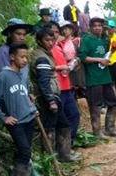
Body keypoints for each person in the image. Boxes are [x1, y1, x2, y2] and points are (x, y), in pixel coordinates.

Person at [0, 42, 38, 176]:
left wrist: (32, 106)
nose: (25, 60)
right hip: (16, 122)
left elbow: (24, 94)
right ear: (12, 57)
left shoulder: (22, 74)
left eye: (26, 57)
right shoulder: (4, 76)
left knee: (26, 150)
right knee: (24, 152)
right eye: (22, 57)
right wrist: (3, 117)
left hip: (29, 118)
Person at [30, 24, 80, 162]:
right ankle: (50, 159)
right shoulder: (40, 57)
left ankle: (64, 154)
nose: (51, 42)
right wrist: (51, 100)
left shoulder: (47, 53)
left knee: (62, 123)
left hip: (54, 95)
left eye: (52, 39)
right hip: (48, 97)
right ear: (40, 40)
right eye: (47, 40)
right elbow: (43, 81)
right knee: (50, 127)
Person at [78, 17, 116, 138]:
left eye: (100, 26)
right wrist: (99, 59)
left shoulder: (104, 40)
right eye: (95, 26)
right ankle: (97, 132)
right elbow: (82, 58)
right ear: (90, 27)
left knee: (113, 102)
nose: (97, 28)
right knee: (96, 106)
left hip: (105, 76)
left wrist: (110, 53)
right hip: (93, 78)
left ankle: (110, 128)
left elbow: (107, 53)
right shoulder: (86, 40)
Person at [52, 22, 81, 139]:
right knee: (60, 118)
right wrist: (60, 67)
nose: (54, 35)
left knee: (74, 115)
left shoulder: (59, 47)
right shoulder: (44, 51)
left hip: (66, 86)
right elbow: (41, 67)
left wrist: (73, 63)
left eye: (56, 32)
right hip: (56, 88)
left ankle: (69, 142)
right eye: (52, 32)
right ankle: (61, 147)